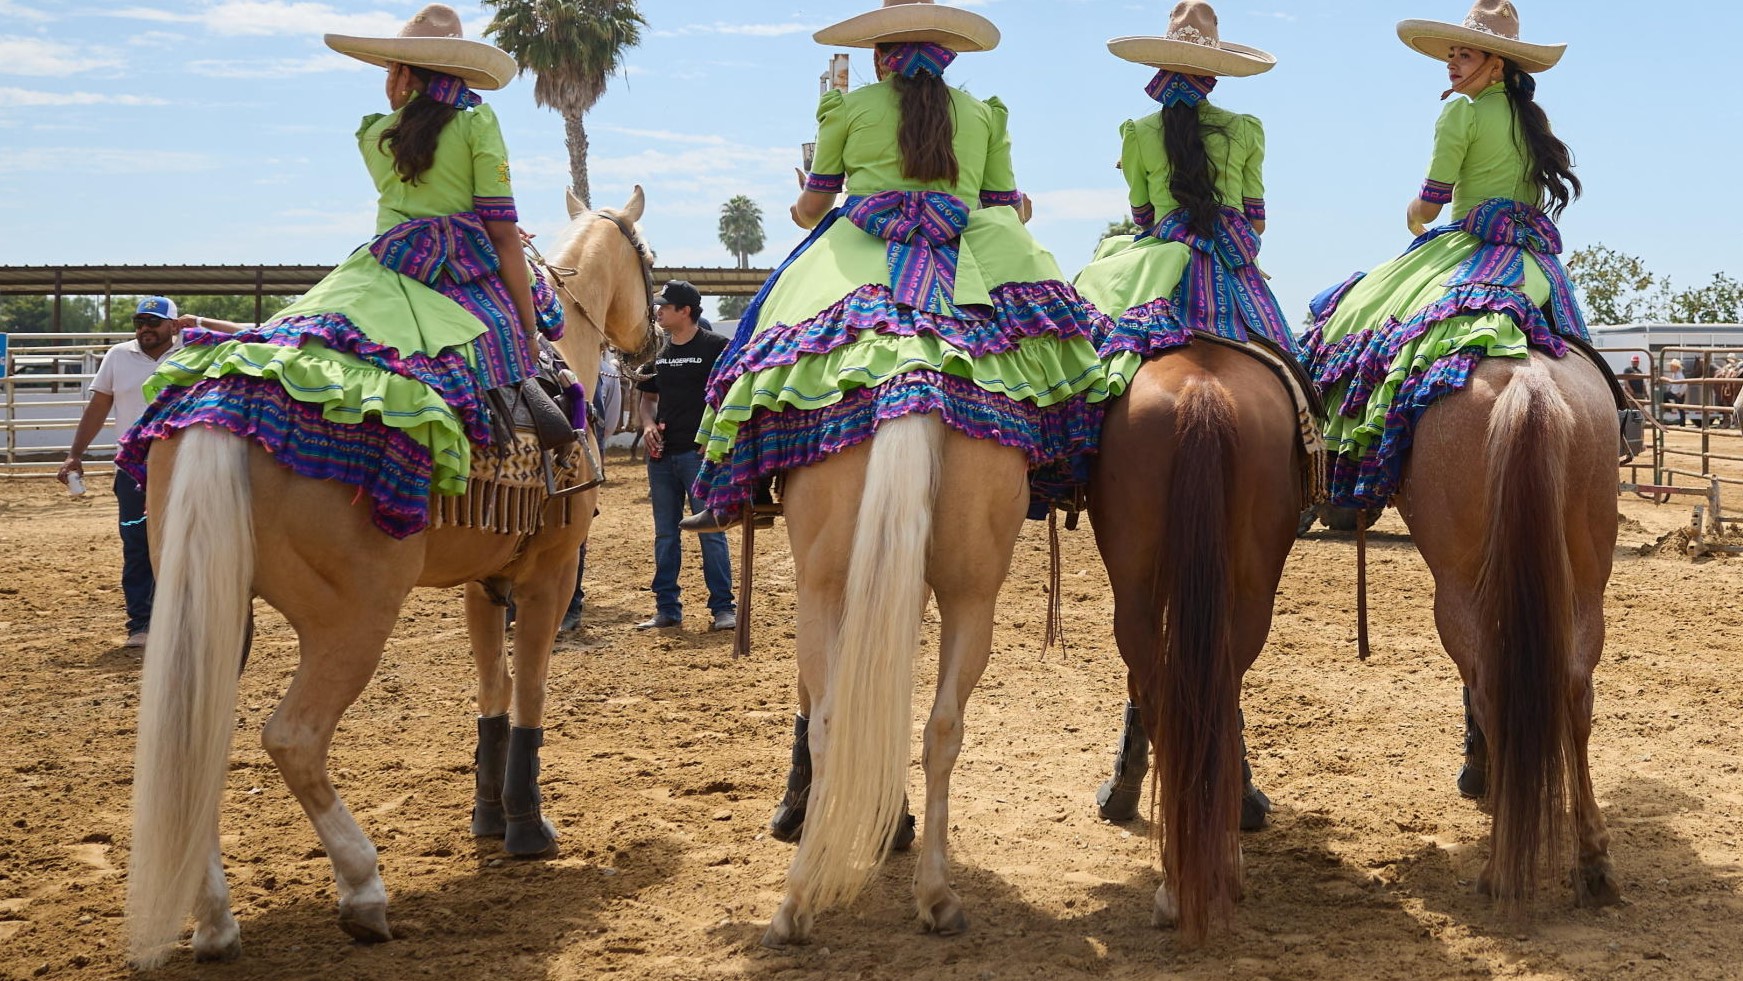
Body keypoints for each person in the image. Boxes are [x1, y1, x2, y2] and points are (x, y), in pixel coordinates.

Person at [686, 0, 1109, 843]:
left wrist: (826, 182)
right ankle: (1066, 466)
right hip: (967, 258)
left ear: (880, 55)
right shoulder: (983, 113)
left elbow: (811, 211)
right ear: (947, 54)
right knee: (1058, 360)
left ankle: (737, 481)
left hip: (863, 250)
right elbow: (1005, 210)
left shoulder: (848, 106)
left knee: (759, 346)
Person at [114, 4, 562, 541]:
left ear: (400, 74)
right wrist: (530, 328)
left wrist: (397, 108)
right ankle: (522, 473)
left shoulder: (377, 133)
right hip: (458, 267)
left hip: (379, 263)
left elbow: (414, 185)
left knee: (297, 336)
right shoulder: (476, 119)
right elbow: (503, 231)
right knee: (509, 351)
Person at [1071, 0, 1284, 831]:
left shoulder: (1135, 131)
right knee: (1295, 380)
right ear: (1217, 70)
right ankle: (1324, 466)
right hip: (1228, 274)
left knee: (1084, 377)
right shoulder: (1247, 128)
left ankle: (1054, 465)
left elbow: (1134, 223)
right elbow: (1256, 226)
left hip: (1149, 269)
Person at [1303, 0, 1589, 510]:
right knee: (1574, 340)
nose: (1451, 64)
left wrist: (1413, 214)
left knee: (1353, 313)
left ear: (1495, 64)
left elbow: (1433, 201)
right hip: (1530, 256)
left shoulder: (1461, 109)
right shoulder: (1529, 120)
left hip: (1467, 243)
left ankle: (1351, 461)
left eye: (1465, 54)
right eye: (1450, 54)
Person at [57, 297, 242, 648]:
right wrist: (75, 454)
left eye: (154, 322)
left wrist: (201, 321)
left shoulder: (200, 348)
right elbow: (99, 406)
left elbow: (252, 334)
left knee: (193, 542)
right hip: (133, 470)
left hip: (189, 468)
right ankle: (142, 624)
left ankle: (190, 622)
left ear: (174, 326)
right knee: (138, 544)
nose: (145, 329)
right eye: (140, 321)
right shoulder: (118, 356)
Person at [635, 280, 736, 632]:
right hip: (662, 457)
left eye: (665, 306)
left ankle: (723, 608)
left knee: (711, 532)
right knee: (665, 535)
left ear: (685, 311)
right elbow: (647, 400)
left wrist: (717, 440)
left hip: (700, 457)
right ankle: (667, 609)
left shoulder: (716, 347)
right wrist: (648, 426)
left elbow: (731, 396)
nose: (658, 311)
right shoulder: (656, 354)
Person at [1662, 358, 1688, 425]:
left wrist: (1680, 393)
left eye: (1671, 366)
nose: (1670, 367)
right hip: (1674, 393)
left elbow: (1685, 384)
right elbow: (1672, 384)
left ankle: (1682, 423)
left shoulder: (1680, 375)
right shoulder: (1675, 374)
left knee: (1680, 408)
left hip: (1678, 394)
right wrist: (1670, 389)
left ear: (1675, 367)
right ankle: (1669, 408)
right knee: (1664, 396)